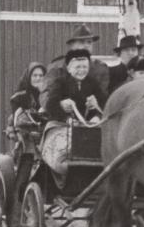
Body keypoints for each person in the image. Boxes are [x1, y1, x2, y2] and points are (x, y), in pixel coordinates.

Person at [40, 49, 105, 180]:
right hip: (61, 125)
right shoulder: (60, 82)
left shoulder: (93, 83)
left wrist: (96, 110)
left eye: (85, 67)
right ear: (69, 69)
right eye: (78, 67)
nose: (82, 70)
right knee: (64, 155)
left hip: (87, 128)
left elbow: (105, 102)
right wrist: (62, 107)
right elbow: (50, 105)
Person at [44, 24, 113, 106]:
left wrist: (97, 113)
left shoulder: (100, 68)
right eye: (81, 42)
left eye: (89, 42)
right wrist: (59, 105)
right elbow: (46, 94)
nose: (86, 45)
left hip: (91, 115)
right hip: (61, 114)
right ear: (71, 45)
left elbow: (103, 97)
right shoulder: (57, 67)